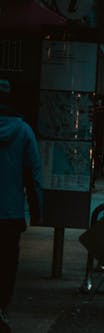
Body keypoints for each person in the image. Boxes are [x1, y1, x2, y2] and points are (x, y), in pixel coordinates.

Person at [0, 78, 43, 333]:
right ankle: (1, 308)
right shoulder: (24, 131)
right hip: (10, 213)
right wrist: (36, 211)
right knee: (6, 264)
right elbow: (33, 174)